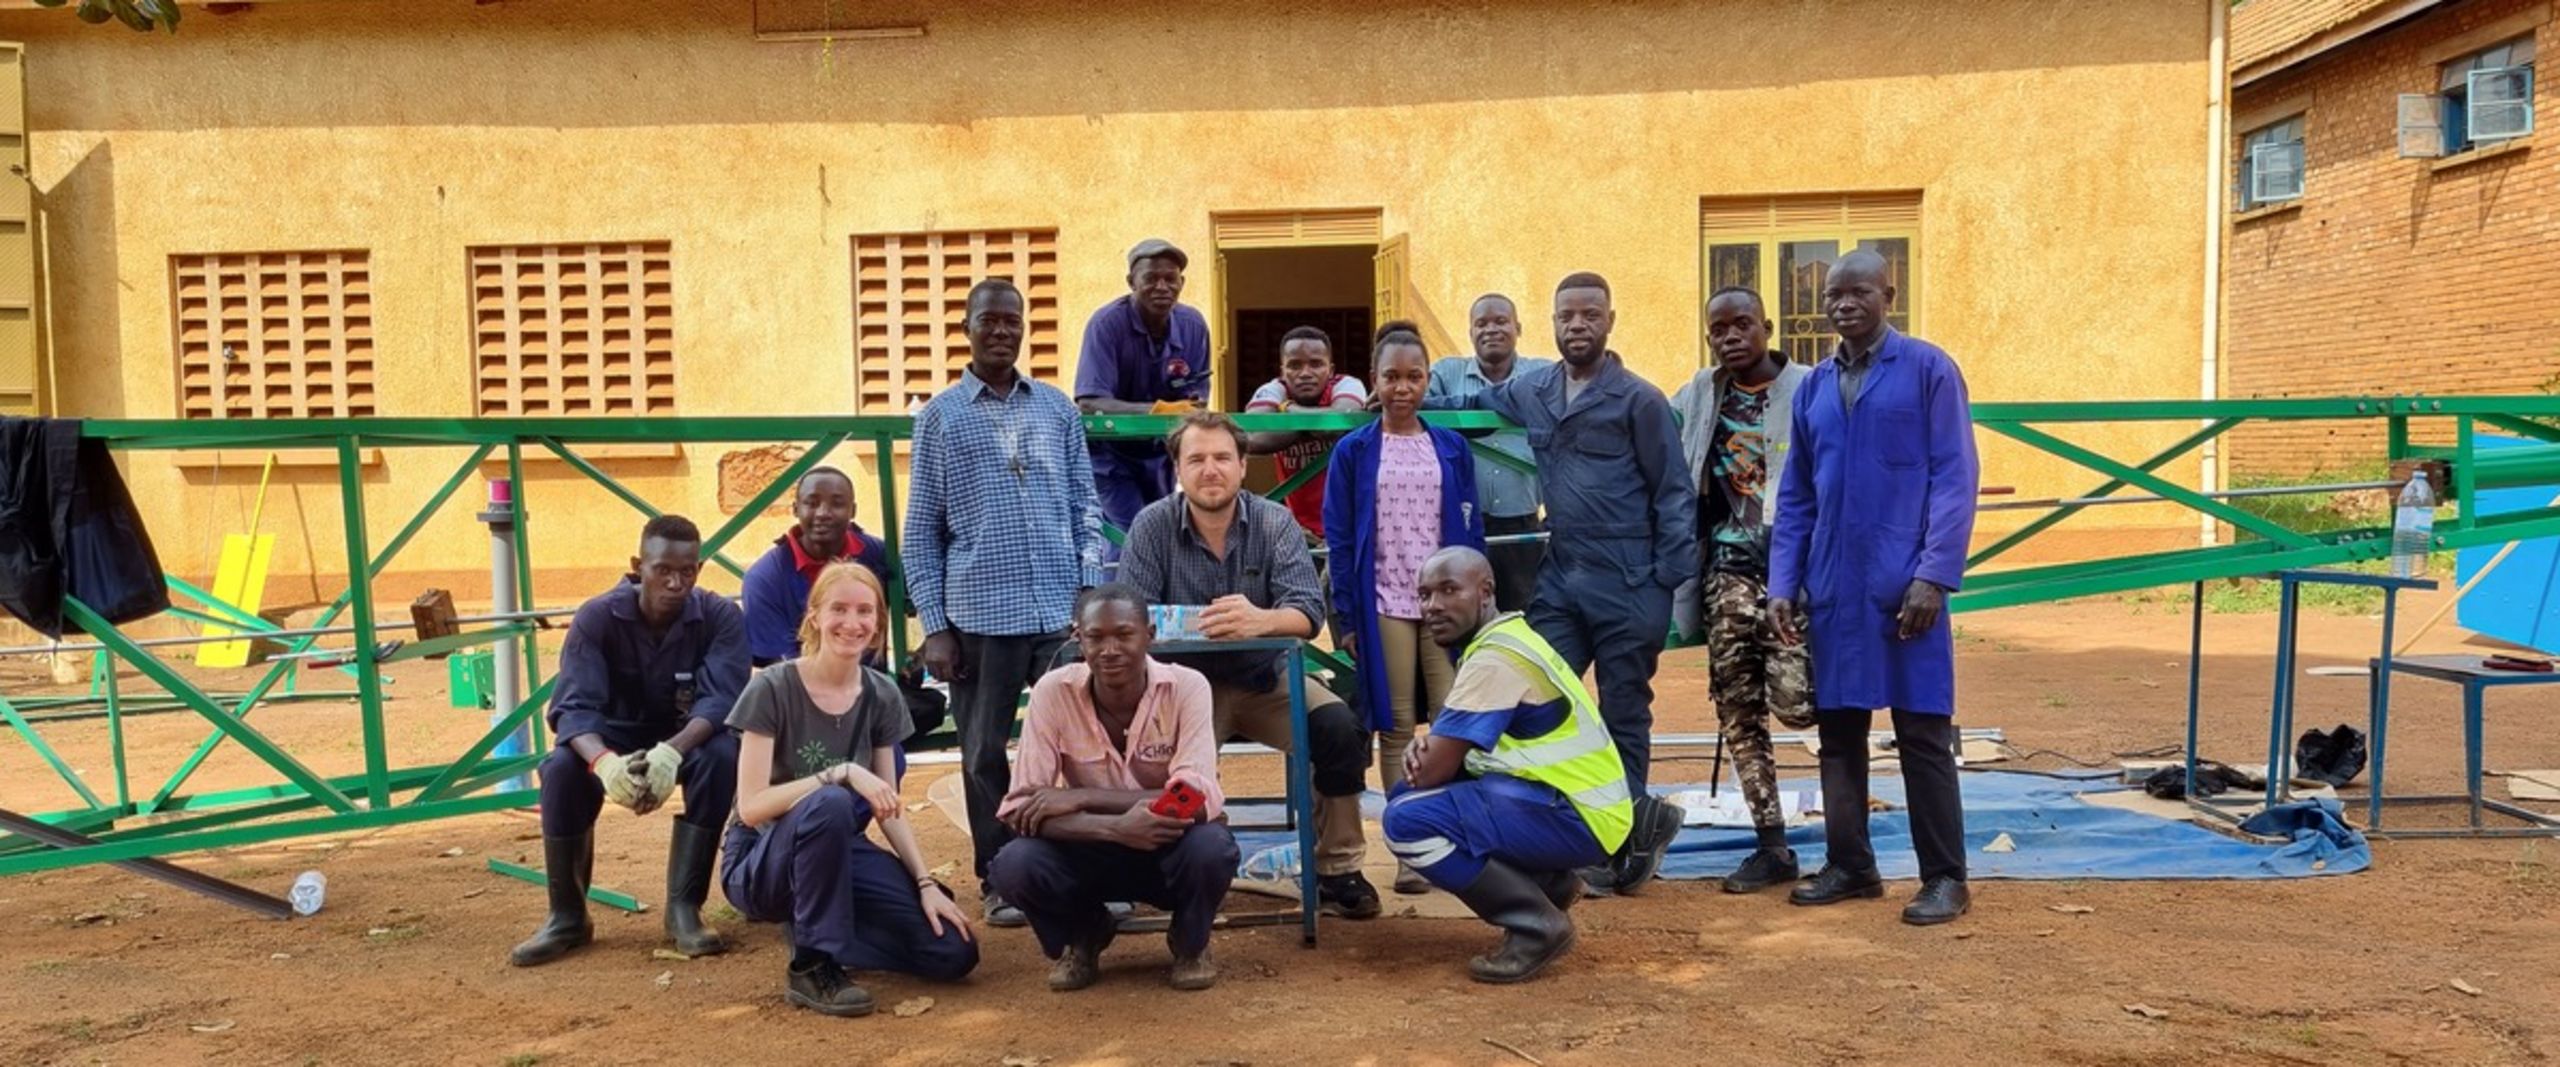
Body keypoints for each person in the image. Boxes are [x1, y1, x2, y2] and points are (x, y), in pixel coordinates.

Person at [1425, 271, 1691, 894]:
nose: (1578, 325)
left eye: (1590, 315)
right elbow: (1473, 407)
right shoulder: (1536, 389)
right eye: (1567, 315)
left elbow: (1674, 493)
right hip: (1562, 574)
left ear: (1610, 321)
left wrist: (1663, 586)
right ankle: (1548, 828)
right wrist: (1405, 404)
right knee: (1535, 697)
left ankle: (1627, 840)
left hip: (1629, 577)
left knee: (1624, 709)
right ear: (1552, 322)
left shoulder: (1639, 400)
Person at [1768, 250, 1981, 926]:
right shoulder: (1814, 388)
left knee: (1922, 731)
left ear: (1890, 293)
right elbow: (1796, 493)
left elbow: (1955, 475)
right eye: (1833, 294)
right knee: (1839, 732)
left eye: (1858, 291)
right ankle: (1851, 863)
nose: (1843, 304)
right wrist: (1785, 579)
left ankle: (1946, 877)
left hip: (1904, 588)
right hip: (1834, 586)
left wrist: (1934, 574)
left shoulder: (1928, 370)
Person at [1118, 411, 1383, 919]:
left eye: (1222, 457)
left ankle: (1338, 867)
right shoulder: (1152, 525)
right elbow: (1133, 617)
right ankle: (1164, 870)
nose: (1210, 469)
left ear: (1243, 465)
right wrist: (1201, 625)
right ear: (1177, 468)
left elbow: (1306, 613)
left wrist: (1260, 620)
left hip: (1267, 678)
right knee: (1156, 759)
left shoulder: (1273, 520)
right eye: (1196, 459)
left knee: (1338, 728)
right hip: (1184, 687)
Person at [905, 277, 1108, 927]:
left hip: (1057, 611)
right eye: (988, 320)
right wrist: (935, 624)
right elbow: (920, 534)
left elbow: (1086, 508)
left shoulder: (1056, 410)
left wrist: (1088, 589)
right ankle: (998, 875)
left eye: (1011, 321)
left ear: (1024, 329)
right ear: (965, 327)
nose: (1001, 331)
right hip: (979, 618)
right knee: (983, 752)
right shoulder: (940, 417)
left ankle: (1076, 863)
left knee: (1076, 744)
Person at [722, 562, 977, 1017]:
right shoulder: (773, 689)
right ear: (815, 616)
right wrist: (835, 772)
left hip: (837, 848)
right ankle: (811, 964)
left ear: (879, 622)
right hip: (761, 858)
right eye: (838, 609)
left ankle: (818, 924)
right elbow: (752, 808)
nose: (852, 623)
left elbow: (889, 808)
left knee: (953, 952)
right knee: (831, 802)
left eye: (865, 611)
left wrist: (923, 883)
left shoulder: (881, 693)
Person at [1380, 547, 1630, 983]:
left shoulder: (1494, 657)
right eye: (1423, 595)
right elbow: (1441, 761)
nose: (1432, 606)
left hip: (1580, 815)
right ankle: (1549, 885)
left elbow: (1432, 770)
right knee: (1410, 797)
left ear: (1486, 591)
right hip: (1580, 807)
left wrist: (1423, 752)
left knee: (1405, 821)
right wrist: (1429, 751)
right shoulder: (1507, 638)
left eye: (1448, 590)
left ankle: (1537, 925)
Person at [510, 514, 743, 967]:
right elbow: (574, 708)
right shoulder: (598, 617)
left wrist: (672, 751)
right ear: (640, 565)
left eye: (688, 570)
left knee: (721, 755)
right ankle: (568, 916)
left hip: (683, 735)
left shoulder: (719, 618)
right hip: (609, 736)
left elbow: (722, 702)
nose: (676, 582)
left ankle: (683, 909)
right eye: (663, 570)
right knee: (560, 770)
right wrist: (604, 764)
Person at [987, 584, 1238, 992]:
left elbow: (1193, 800)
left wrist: (1078, 796)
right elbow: (1019, 810)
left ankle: (1190, 942)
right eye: (1095, 637)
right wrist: (1113, 828)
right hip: (1088, 848)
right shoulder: (1052, 692)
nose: (1110, 649)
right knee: (1014, 864)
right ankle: (1084, 933)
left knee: (1211, 847)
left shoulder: (1188, 686)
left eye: (1124, 634)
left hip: (1166, 843)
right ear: (1077, 638)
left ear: (1150, 635)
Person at [1323, 321, 1484, 893]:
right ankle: (1409, 852)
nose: (1402, 388)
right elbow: (1340, 539)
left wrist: (1475, 603)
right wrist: (1345, 616)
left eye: (1414, 377)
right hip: (1384, 598)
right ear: (1374, 381)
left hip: (1443, 604)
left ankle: (1445, 840)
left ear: (1428, 381)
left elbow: (1471, 532)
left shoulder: (1451, 446)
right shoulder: (1354, 451)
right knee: (1393, 726)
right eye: (1391, 376)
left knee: (1448, 722)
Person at [1671, 286, 1817, 894]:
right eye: (1718, 330)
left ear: (1768, 326)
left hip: (1795, 576)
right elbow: (1655, 429)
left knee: (1800, 703)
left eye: (1742, 325)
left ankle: (1850, 836)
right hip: (1725, 576)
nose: (1730, 337)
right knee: (1739, 712)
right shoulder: (1701, 393)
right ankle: (1771, 844)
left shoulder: (1810, 387)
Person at [1076, 239, 1212, 542]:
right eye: (1151, 279)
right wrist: (1158, 410)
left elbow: (1196, 403)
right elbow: (1089, 403)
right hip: (1110, 454)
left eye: (1170, 279)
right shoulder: (1106, 324)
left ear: (1182, 282)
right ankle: (1114, 591)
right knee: (1129, 535)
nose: (1162, 286)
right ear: (1131, 283)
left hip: (1161, 456)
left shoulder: (1193, 325)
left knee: (1160, 534)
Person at [1427, 294, 1552, 612]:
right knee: (1463, 618)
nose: (1491, 330)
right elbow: (1414, 410)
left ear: (1518, 327)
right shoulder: (1444, 374)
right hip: (1461, 523)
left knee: (1522, 618)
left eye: (1501, 321)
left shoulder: (1542, 373)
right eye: (1481, 323)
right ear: (1470, 332)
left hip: (1523, 525)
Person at [741, 466, 889, 669]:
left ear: (853, 511)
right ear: (795, 509)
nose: (823, 513)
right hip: (799, 691)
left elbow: (924, 588)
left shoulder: (878, 555)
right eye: (812, 503)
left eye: (837, 504)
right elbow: (777, 666)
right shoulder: (765, 578)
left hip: (871, 686)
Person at [1245, 325, 1369, 537]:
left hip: (1352, 524)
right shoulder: (1274, 389)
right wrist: (1313, 425)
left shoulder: (1347, 385)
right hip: (1298, 530)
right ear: (1282, 371)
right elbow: (1251, 439)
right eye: (1295, 365)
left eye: (1316, 364)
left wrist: (1288, 409)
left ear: (1330, 370)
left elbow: (1334, 424)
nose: (1305, 373)